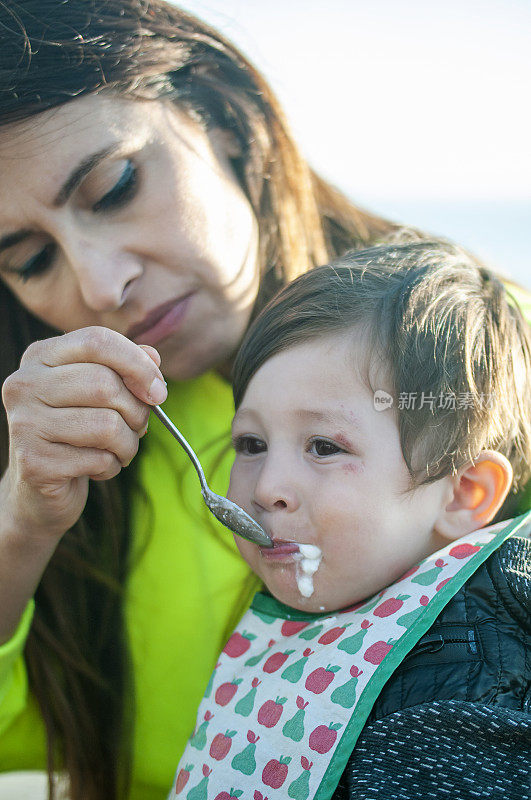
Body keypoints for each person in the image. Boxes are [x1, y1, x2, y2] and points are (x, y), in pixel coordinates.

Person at [0, 1, 409, 799]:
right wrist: (22, 521)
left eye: (115, 187)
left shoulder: (489, 355)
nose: (98, 285)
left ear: (223, 115)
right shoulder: (45, 443)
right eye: (33, 258)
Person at [171, 240, 531, 800]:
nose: (267, 488)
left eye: (322, 446)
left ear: (462, 493)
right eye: (251, 442)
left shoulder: (461, 702)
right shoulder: (340, 607)